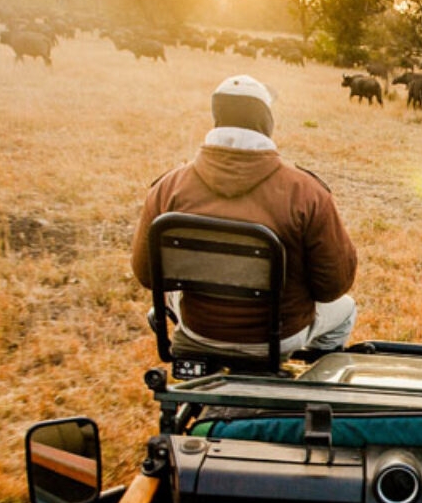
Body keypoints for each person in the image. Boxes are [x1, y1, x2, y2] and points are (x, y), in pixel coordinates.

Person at [131, 74, 358, 356]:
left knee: (163, 304)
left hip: (198, 331)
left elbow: (147, 275)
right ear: (267, 122)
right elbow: (333, 287)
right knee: (346, 309)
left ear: (217, 118)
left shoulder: (168, 188)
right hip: (278, 339)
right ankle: (312, 379)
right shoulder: (307, 192)